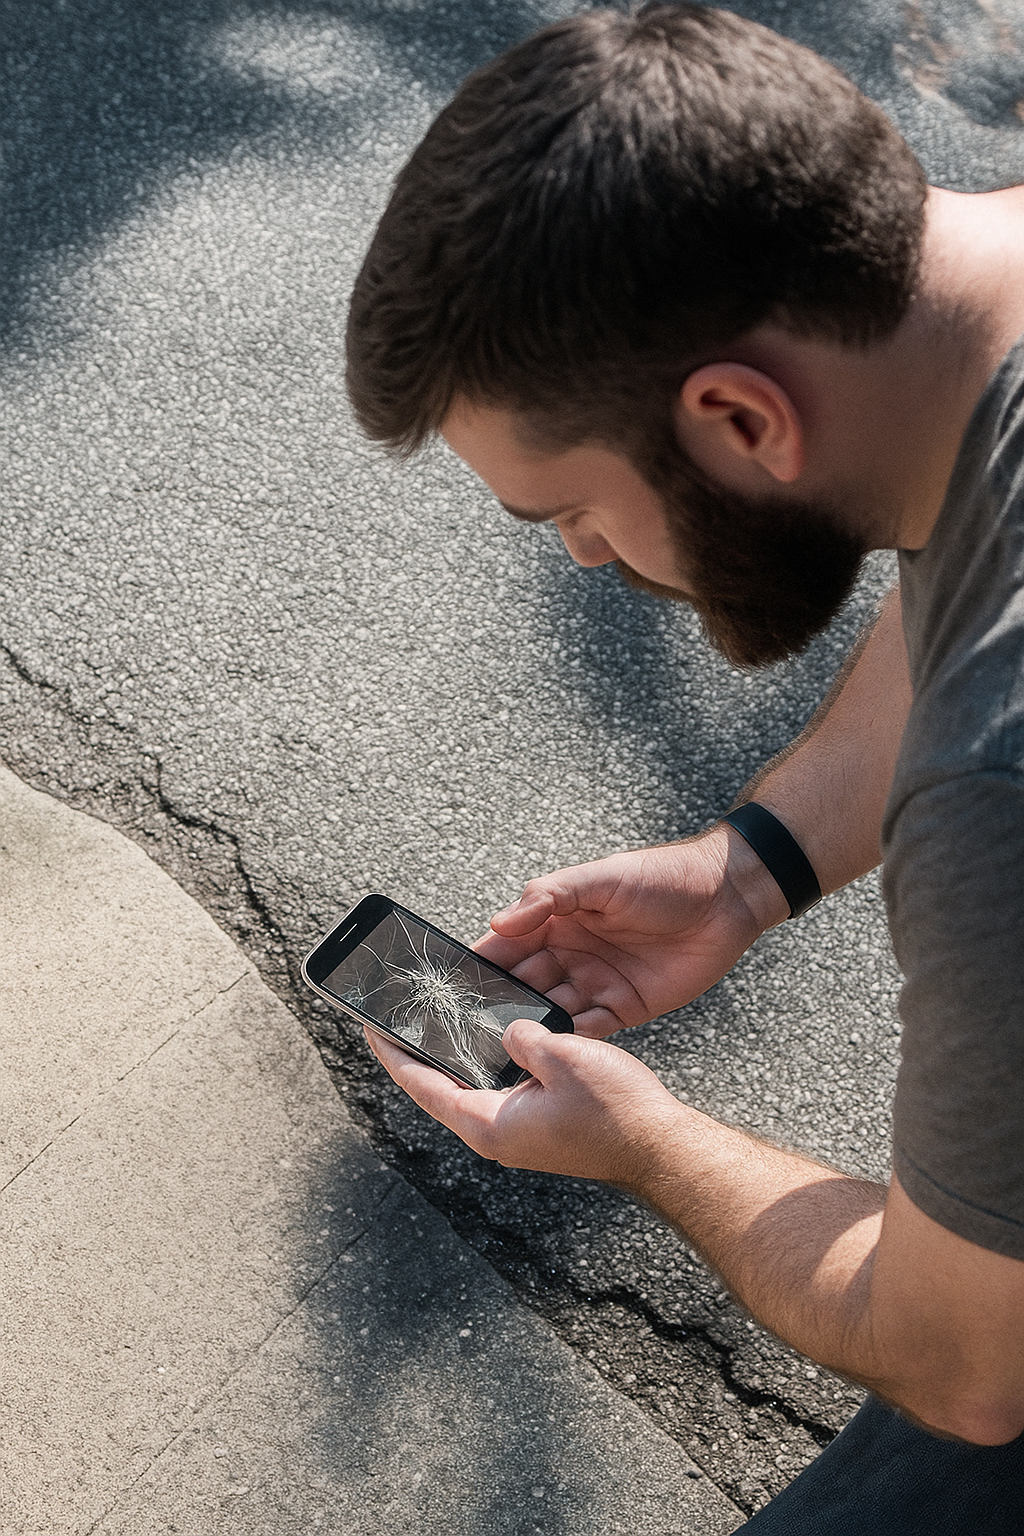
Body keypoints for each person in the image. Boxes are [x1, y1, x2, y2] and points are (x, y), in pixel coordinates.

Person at [344, 6, 1024, 1528]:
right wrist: (753, 866)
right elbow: (964, 563)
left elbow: (970, 1357)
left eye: (570, 510)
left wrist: (647, 1146)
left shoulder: (999, 787)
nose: (588, 558)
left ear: (734, 417)